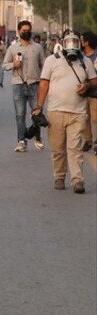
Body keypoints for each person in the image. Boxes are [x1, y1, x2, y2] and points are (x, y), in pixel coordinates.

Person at [33, 31, 96, 194]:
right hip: (56, 111)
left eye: (76, 42)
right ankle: (59, 176)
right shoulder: (51, 61)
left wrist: (87, 86)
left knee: (74, 148)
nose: (73, 45)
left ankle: (77, 180)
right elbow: (44, 84)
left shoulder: (86, 61)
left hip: (78, 112)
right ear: (63, 43)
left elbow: (94, 82)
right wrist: (39, 107)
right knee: (58, 148)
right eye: (70, 42)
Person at [5, 20, 46, 153]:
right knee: (20, 114)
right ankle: (21, 140)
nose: (26, 32)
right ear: (18, 31)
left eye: (28, 30)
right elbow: (4, 65)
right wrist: (13, 65)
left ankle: (37, 136)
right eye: (24, 30)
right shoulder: (13, 49)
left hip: (34, 84)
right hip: (18, 85)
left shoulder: (38, 48)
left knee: (37, 114)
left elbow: (44, 65)